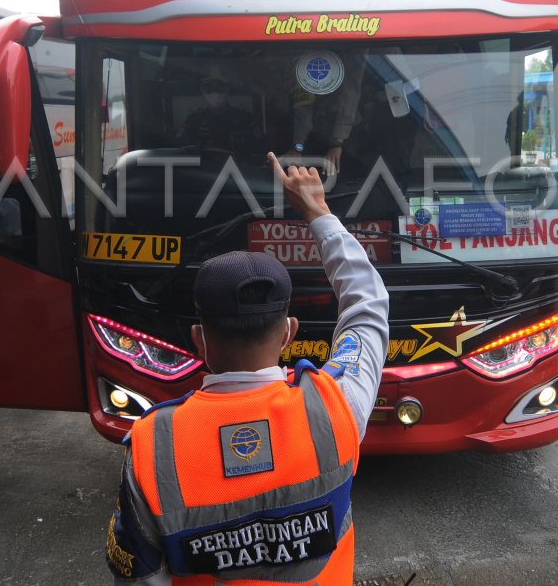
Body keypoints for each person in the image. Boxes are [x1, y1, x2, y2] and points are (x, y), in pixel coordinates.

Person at [106, 152, 389, 584]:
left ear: (200, 341)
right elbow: (367, 306)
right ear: (288, 334)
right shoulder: (337, 407)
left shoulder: (152, 448)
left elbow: (142, 579)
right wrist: (319, 212)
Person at [177, 69, 263, 162]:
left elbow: (261, 150)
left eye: (220, 86)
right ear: (202, 91)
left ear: (228, 89)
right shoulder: (193, 121)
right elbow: (179, 151)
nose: (215, 92)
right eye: (208, 87)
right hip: (201, 173)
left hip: (241, 172)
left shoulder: (246, 120)